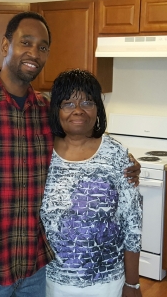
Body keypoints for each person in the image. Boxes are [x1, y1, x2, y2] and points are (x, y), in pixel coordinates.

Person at [0, 12, 141, 297]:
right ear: (6, 45)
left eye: (42, 47)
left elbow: (81, 142)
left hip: (35, 269)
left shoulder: (45, 110)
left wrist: (124, 162)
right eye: (25, 42)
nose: (34, 53)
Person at [40, 69, 143, 297]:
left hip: (106, 285)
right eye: (67, 103)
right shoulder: (41, 152)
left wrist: (133, 284)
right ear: (56, 109)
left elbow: (132, 224)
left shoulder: (116, 155)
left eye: (87, 101)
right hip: (48, 282)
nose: (78, 110)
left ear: (98, 108)